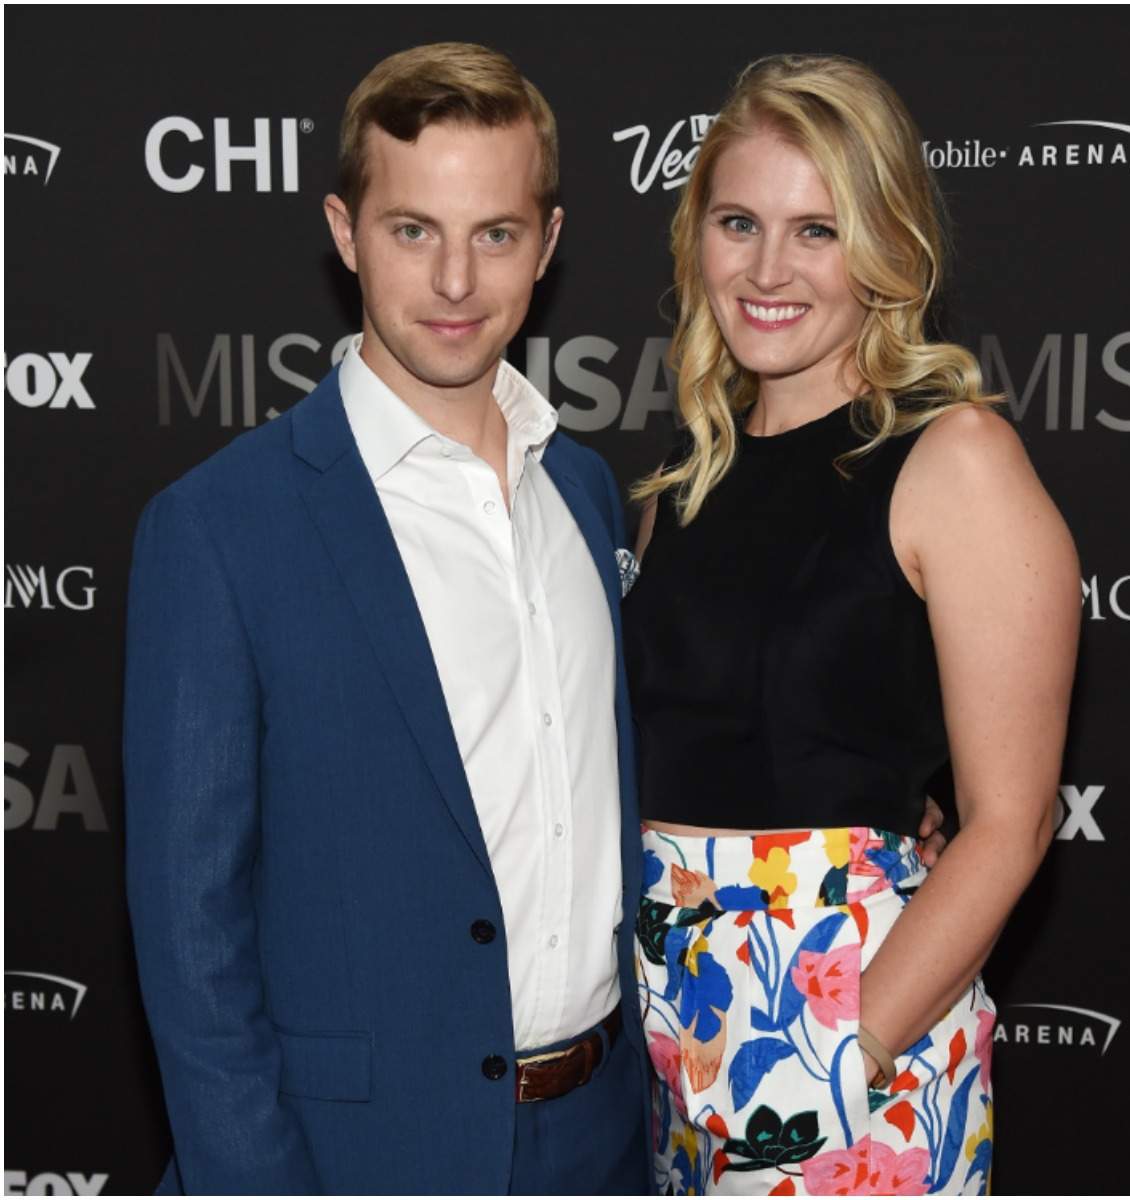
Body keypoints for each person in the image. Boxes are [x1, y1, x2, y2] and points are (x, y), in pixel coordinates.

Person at [123, 43, 654, 1196]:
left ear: (550, 242)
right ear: (344, 229)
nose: (456, 281)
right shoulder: (220, 527)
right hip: (354, 1158)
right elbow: (188, 941)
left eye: (496, 234)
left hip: (608, 1140)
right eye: (414, 229)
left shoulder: (586, 490)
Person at [622, 55, 1080, 1196]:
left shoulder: (954, 460)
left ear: (886, 248)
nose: (769, 269)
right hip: (665, 1033)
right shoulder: (677, 485)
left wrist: (847, 1050)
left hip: (837, 1031)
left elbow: (1010, 824)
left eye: (817, 230)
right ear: (697, 238)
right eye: (739, 222)